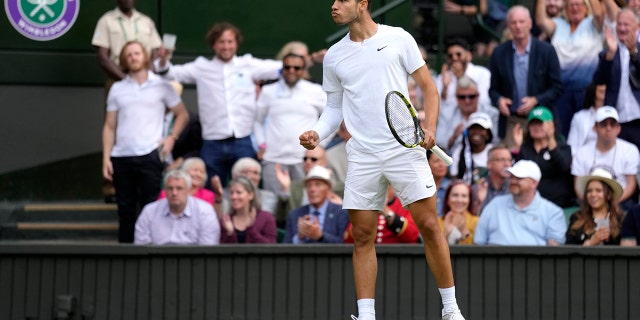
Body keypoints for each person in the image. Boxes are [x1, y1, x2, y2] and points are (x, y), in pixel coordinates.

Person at [299, 1, 464, 319]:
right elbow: (334, 109)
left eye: (343, 0)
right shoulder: (334, 55)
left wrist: (429, 125)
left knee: (429, 226)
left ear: (363, 4)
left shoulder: (399, 38)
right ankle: (367, 315)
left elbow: (429, 88)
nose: (334, 6)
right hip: (362, 155)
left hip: (404, 149)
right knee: (361, 236)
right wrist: (317, 134)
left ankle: (450, 308)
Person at [155, 22, 282, 186]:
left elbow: (281, 68)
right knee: (213, 189)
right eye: (221, 42)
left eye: (230, 41)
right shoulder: (202, 67)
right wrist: (163, 59)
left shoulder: (248, 64)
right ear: (213, 44)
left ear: (236, 43)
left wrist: (311, 60)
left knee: (246, 188)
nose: (226, 46)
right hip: (212, 142)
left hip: (241, 140)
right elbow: (169, 74)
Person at [102, 41, 189, 243]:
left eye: (137, 53)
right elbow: (109, 126)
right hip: (121, 156)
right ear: (124, 60)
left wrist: (171, 138)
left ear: (145, 56)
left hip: (150, 154)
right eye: (129, 54)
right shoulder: (117, 88)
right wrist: (106, 158)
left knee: (151, 207)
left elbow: (182, 114)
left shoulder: (162, 85)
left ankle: (150, 253)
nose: (133, 57)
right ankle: (126, 255)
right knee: (125, 209)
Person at [489, 5, 563, 150]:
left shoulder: (546, 51)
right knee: (511, 164)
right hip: (512, 121)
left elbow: (558, 87)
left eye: (521, 22)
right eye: (514, 22)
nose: (518, 26)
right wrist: (499, 100)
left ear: (530, 23)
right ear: (508, 25)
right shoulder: (499, 53)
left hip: (541, 119)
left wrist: (536, 100)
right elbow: (493, 90)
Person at [255, 53, 326, 200]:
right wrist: (261, 145)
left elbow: (331, 119)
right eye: (287, 67)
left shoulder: (315, 91)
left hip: (304, 160)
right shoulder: (268, 91)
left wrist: (321, 145)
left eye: (297, 67)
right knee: (272, 205)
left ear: (303, 70)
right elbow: (257, 121)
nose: (291, 71)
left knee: (304, 205)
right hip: (273, 159)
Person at [535, 0, 604, 137]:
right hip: (562, 90)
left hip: (586, 90)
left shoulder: (593, 23)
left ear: (586, 7)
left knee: (588, 132)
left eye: (578, 4)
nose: (574, 7)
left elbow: (598, 13)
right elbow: (541, 21)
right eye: (571, 5)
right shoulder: (558, 24)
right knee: (562, 133)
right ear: (565, 9)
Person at [473, 160, 567, 245]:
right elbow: (479, 242)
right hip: (494, 261)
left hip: (534, 262)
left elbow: (554, 252)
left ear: (534, 183)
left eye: (519, 178)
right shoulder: (495, 204)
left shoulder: (553, 212)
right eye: (512, 177)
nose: (513, 181)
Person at [571, 106, 639, 209]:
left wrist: (611, 203)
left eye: (613, 124)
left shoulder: (630, 149)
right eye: (603, 124)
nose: (608, 128)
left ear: (618, 128)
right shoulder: (582, 152)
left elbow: (631, 183)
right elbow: (578, 185)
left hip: (620, 202)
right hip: (589, 203)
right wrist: (594, 204)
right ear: (595, 128)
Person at [593, 9, 640, 150]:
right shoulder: (608, 52)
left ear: (637, 27)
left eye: (626, 24)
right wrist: (610, 55)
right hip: (615, 121)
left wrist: (634, 53)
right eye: (619, 24)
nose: (622, 28)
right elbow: (598, 81)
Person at [134, 169, 220, 245]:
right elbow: (142, 247)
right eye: (170, 188)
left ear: (188, 190)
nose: (174, 193)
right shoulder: (149, 211)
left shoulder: (205, 211)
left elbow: (208, 250)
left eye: (179, 188)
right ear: (165, 190)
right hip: (156, 262)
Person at [91, 0, 162, 91]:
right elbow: (102, 57)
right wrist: (126, 79)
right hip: (117, 79)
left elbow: (155, 53)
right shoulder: (106, 21)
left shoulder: (146, 21)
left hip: (146, 82)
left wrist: (146, 77)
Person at [512, 106, 575, 208]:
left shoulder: (563, 147)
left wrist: (551, 141)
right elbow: (519, 174)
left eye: (541, 123)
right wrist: (519, 147)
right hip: (530, 204)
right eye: (533, 124)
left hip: (558, 204)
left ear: (552, 125)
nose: (537, 127)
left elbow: (563, 166)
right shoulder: (525, 148)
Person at [284, 165, 350, 244]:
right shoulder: (295, 214)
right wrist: (299, 237)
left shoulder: (342, 213)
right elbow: (284, 247)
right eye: (309, 185)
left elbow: (345, 244)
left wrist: (320, 236)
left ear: (328, 189)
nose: (312, 189)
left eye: (318, 184)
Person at [436, 76, 499, 150]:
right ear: (456, 97)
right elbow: (439, 144)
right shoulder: (445, 113)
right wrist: (453, 137)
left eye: (471, 96)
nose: (467, 101)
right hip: (452, 158)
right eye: (462, 97)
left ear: (478, 96)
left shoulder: (492, 114)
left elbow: (496, 143)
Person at [566, 168, 624, 245]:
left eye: (598, 190)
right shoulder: (577, 218)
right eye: (589, 191)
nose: (593, 195)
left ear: (609, 195)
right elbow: (568, 249)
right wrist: (591, 242)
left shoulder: (621, 219)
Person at [435, 37, 492, 115]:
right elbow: (439, 109)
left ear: (468, 56)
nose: (454, 58)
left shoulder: (482, 73)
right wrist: (444, 89)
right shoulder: (441, 78)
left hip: (477, 121)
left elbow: (483, 102)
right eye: (450, 56)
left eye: (458, 54)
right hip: (450, 124)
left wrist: (460, 77)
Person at [344, 186, 420, 244]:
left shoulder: (403, 206)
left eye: (386, 185)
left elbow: (412, 236)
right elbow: (349, 238)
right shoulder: (365, 206)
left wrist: (385, 210)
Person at [219, 176, 277, 243]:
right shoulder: (226, 220)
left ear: (251, 195)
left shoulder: (267, 218)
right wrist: (230, 233)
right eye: (232, 193)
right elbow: (222, 251)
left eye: (239, 192)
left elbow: (271, 248)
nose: (234, 197)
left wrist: (251, 229)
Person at [449, 112, 495, 185]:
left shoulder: (494, 152)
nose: (476, 132)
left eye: (481, 129)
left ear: (488, 133)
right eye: (473, 128)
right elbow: (454, 177)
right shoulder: (459, 151)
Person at [566, 83, 607, 155]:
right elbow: (571, 145)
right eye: (601, 84)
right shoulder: (579, 116)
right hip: (584, 160)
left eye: (607, 85)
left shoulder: (619, 114)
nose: (604, 88)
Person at [438, 180, 480, 245]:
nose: (459, 200)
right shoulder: (437, 223)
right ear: (448, 200)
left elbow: (478, 250)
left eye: (464, 196)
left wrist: (464, 230)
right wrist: (446, 234)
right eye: (455, 195)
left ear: (469, 200)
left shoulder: (477, 222)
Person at [474, 144, 512, 212]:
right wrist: (479, 202)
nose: (507, 164)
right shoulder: (478, 188)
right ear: (489, 164)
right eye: (501, 160)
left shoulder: (514, 188)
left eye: (509, 160)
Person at [428, 150, 452, 217]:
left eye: (443, 160)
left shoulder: (452, 187)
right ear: (427, 163)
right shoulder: (422, 187)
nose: (441, 164)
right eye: (436, 161)